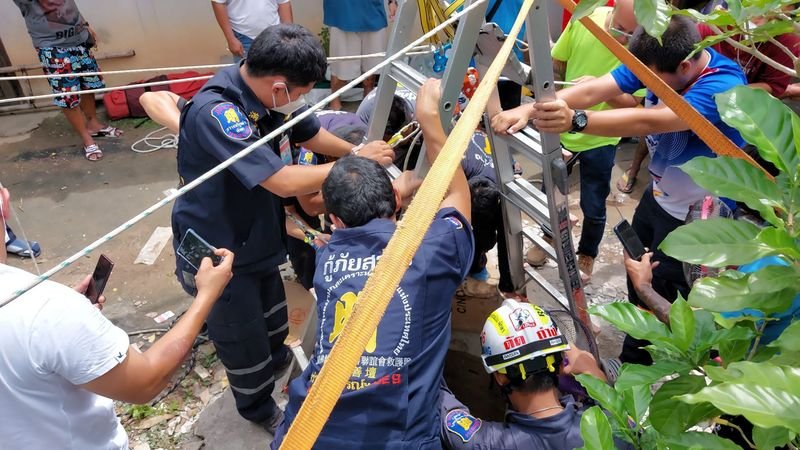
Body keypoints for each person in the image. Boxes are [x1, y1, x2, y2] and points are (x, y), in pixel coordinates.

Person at [171, 24, 394, 431]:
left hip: (254, 235)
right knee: (243, 337)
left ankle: (274, 367)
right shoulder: (218, 112)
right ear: (277, 85)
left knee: (273, 317)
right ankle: (259, 409)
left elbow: (311, 135)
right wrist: (356, 165)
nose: (301, 100)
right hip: (218, 248)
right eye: (299, 91)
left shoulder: (269, 96)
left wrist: (355, 151)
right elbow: (281, 180)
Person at [492, 16, 747, 364]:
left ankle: (643, 370)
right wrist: (528, 108)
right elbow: (598, 88)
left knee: (673, 298)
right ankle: (637, 335)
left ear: (685, 65)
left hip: (698, 219)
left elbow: (651, 120)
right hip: (658, 199)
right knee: (637, 277)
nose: (644, 85)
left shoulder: (723, 84)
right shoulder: (655, 58)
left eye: (651, 81)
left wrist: (578, 119)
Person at [272, 79, 475, 449]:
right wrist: (431, 119)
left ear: (333, 221)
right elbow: (458, 193)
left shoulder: (326, 259)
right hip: (399, 437)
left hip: (307, 431)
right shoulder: (432, 250)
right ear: (396, 201)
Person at [0, 184, 235, 449]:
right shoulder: (47, 310)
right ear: (6, 203)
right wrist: (206, 296)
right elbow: (146, 382)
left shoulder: (43, 308)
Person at [526, 0, 640, 281]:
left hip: (601, 139)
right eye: (620, 28)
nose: (622, 38)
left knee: (593, 204)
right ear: (611, 11)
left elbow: (634, 105)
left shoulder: (645, 46)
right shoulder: (585, 18)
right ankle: (549, 234)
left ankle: (587, 253)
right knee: (550, 194)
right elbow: (558, 64)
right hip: (561, 130)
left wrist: (601, 89)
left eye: (631, 34)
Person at [440, 299, 631, 449]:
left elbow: (438, 398)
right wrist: (594, 372)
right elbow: (619, 413)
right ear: (560, 365)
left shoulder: (488, 443)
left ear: (500, 377)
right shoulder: (615, 429)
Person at [12, 0, 122, 161]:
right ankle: (86, 139)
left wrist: (85, 24)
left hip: (80, 40)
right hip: (53, 48)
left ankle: (93, 124)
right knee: (67, 95)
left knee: (88, 85)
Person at [323, 0, 398, 110]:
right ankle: (335, 104)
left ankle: (367, 104)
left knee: (372, 69)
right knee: (340, 70)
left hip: (373, 10)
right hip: (341, 11)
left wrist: (392, 1)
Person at [211, 0, 293, 61]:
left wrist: (289, 36)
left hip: (275, 35)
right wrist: (231, 39)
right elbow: (218, 3)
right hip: (243, 37)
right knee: (247, 79)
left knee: (278, 77)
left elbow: (283, 3)